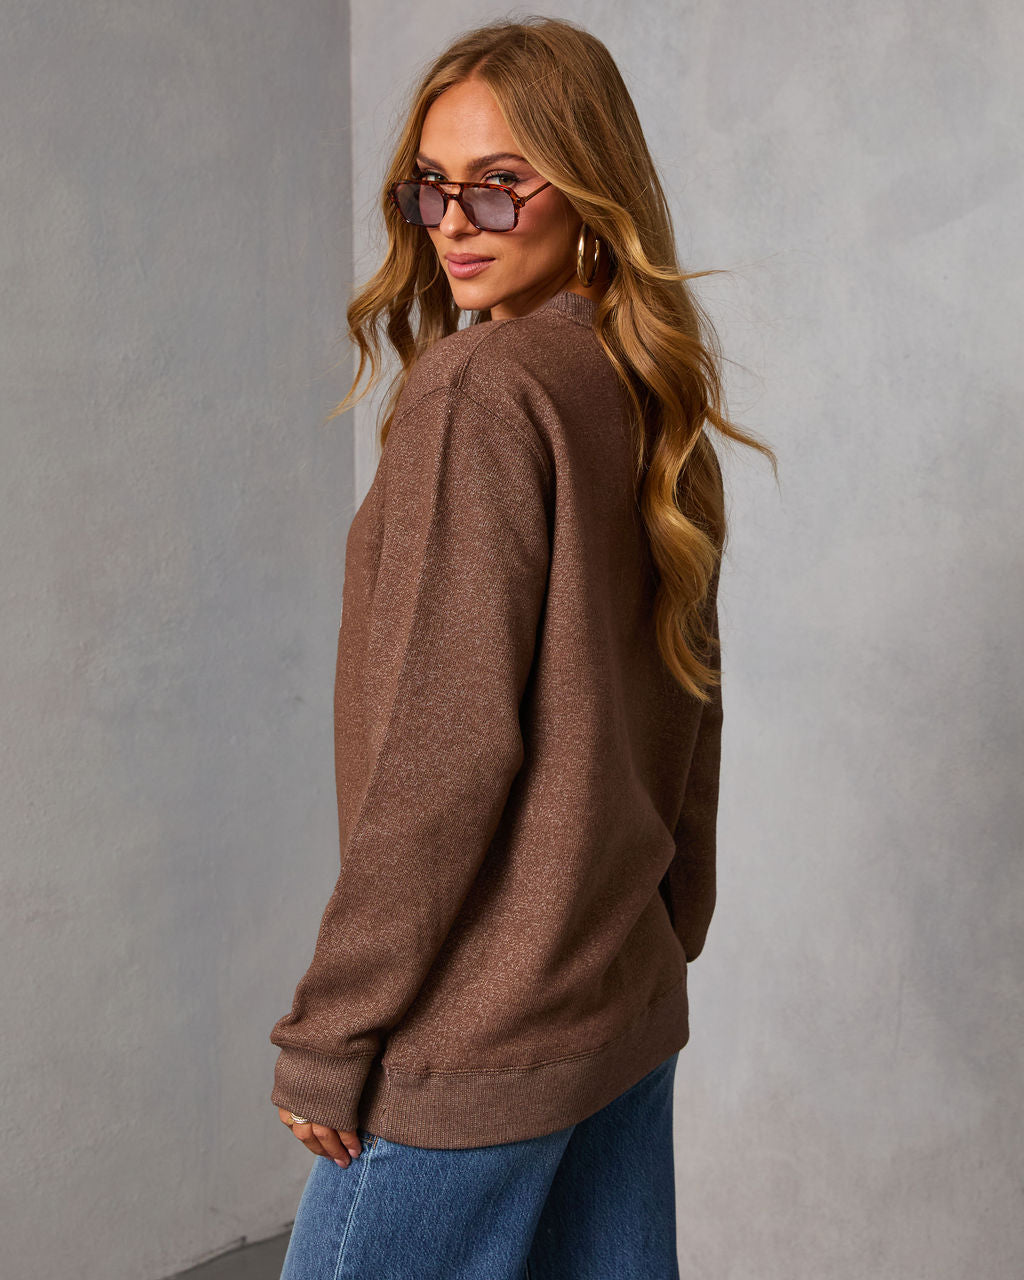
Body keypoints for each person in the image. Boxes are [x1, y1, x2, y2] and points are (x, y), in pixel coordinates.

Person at [268, 16, 776, 1280]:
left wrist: (332, 1031)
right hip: (612, 998)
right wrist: (658, 927)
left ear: (589, 188)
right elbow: (692, 702)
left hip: (477, 1034)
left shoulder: (482, 389)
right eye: (431, 187)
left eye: (499, 182)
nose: (456, 221)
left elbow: (441, 753)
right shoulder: (650, 392)